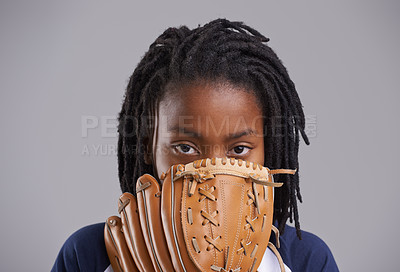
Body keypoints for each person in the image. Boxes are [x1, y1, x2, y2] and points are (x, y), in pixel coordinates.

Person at [52, 18, 339, 272]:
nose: (213, 173)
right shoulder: (88, 255)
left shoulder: (306, 260)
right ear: (146, 147)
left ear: (268, 151)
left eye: (239, 149)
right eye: (186, 148)